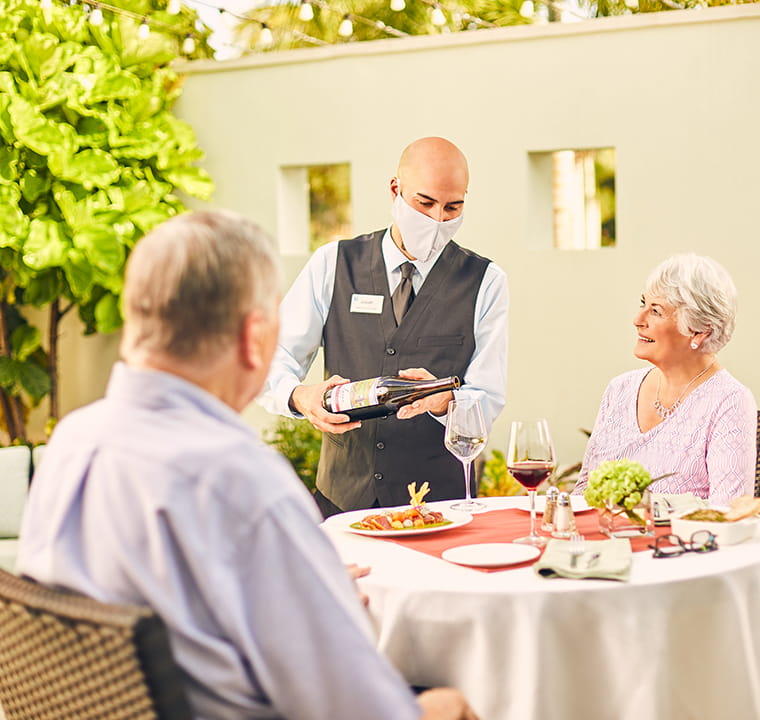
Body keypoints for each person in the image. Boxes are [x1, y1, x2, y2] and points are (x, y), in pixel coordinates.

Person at [15, 211, 478, 720]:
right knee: (449, 705)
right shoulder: (239, 480)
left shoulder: (70, 446)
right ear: (255, 336)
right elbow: (363, 707)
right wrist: (327, 607)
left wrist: (299, 587)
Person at [260, 136, 509, 517]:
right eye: (424, 203)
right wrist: (299, 397)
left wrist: (447, 402)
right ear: (396, 190)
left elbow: (488, 396)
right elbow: (271, 355)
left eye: (452, 207)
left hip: (440, 505)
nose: (438, 219)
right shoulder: (333, 263)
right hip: (342, 499)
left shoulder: (486, 281)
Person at [574, 253, 757, 504]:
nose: (638, 320)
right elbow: (585, 491)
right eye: (643, 304)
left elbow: (728, 511)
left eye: (656, 311)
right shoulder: (620, 389)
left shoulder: (729, 400)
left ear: (699, 329)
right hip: (609, 541)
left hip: (683, 542)